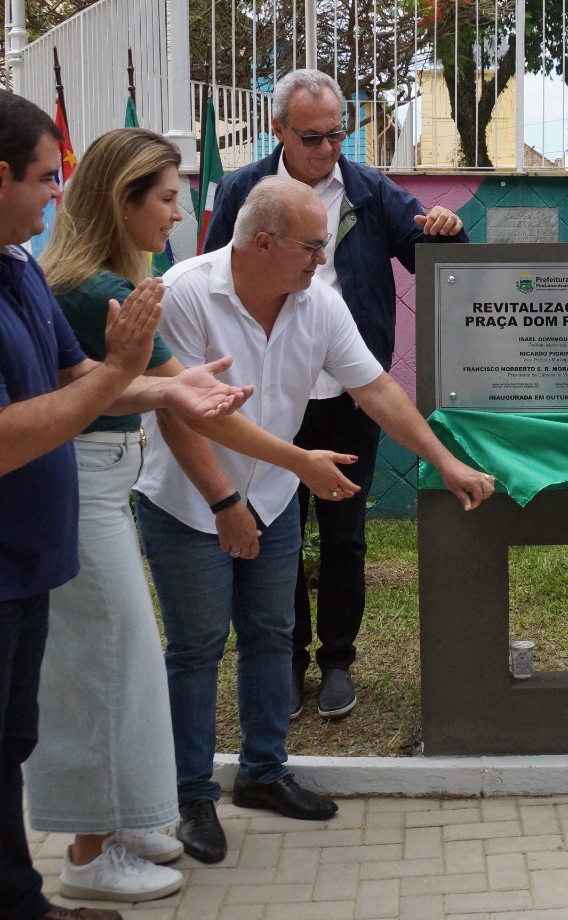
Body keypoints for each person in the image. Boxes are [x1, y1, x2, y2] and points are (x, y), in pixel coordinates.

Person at [0, 86, 248, 920]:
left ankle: (17, 904)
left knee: (2, 754)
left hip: (16, 564)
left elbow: (75, 379)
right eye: (44, 178)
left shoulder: (12, 267)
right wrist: (125, 371)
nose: (55, 194)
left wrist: (167, 392)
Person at [26, 129, 360, 897]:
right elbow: (189, 409)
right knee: (130, 664)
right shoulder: (107, 292)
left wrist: (173, 390)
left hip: (107, 482)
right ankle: (110, 839)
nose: (181, 214)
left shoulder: (116, 283)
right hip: (102, 491)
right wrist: (287, 462)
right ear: (124, 201)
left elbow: (123, 389)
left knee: (155, 658)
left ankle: (136, 820)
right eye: (169, 198)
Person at [136, 175, 495, 865]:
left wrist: (446, 462)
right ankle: (190, 796)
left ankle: (263, 773)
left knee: (271, 635)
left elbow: (377, 389)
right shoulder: (185, 293)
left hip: (271, 496)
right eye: (311, 247)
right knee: (198, 647)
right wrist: (225, 504)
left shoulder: (318, 302)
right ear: (262, 243)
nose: (323, 259)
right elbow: (179, 418)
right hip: (188, 501)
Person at [202, 69, 467, 722]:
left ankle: (338, 661)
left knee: (345, 535)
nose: (327, 149)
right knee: (276, 528)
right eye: (312, 137)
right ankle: (288, 660)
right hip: (269, 393)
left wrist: (447, 229)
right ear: (278, 131)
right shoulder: (243, 190)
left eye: (336, 135)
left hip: (351, 393)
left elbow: (432, 259)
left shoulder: (370, 190)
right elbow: (212, 277)